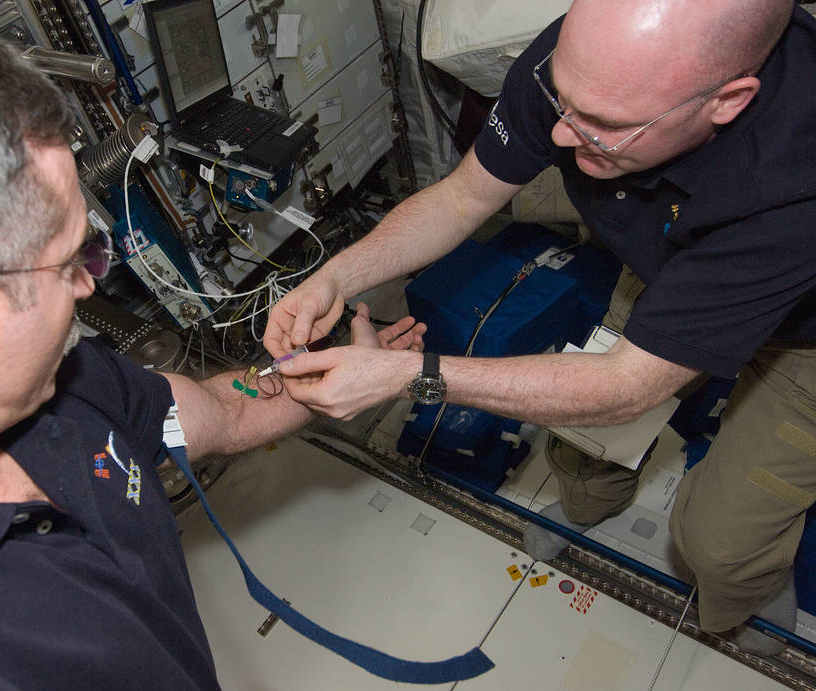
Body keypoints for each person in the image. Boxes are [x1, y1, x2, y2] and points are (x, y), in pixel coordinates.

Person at [0, 12, 425, 688]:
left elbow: (215, 411)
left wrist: (324, 376)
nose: (92, 282)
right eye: (71, 260)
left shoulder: (62, 382)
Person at [264, 0, 816, 655]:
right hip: (669, 260)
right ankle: (589, 508)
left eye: (603, 126)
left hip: (802, 337)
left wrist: (411, 374)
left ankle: (745, 598)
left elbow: (628, 384)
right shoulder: (590, 64)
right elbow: (462, 197)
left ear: (726, 101)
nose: (559, 136)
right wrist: (338, 275)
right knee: (583, 441)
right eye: (563, 101)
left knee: (719, 543)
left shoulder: (793, 182)